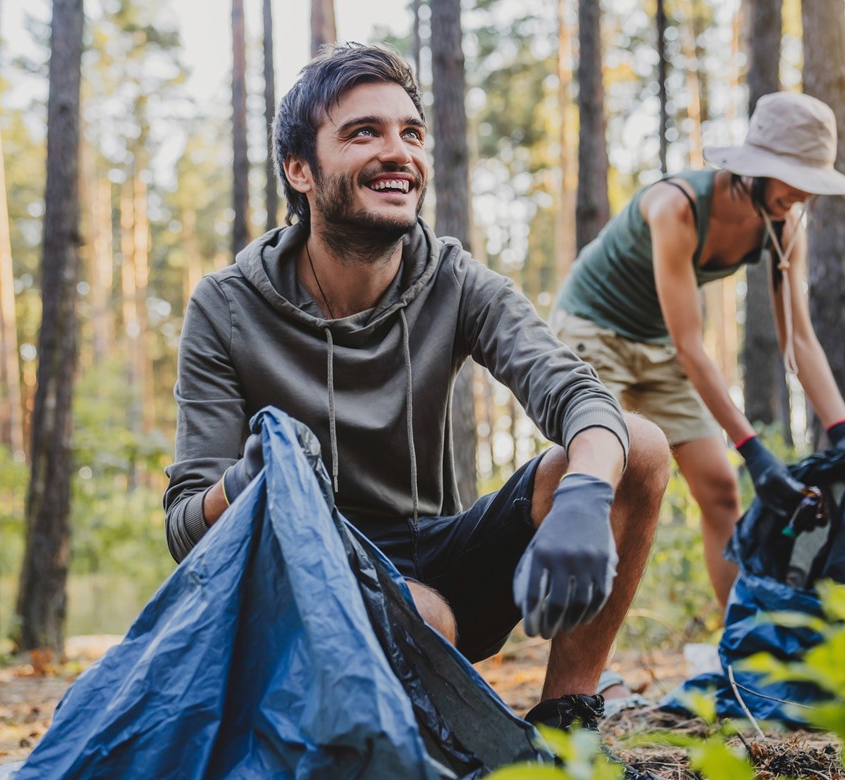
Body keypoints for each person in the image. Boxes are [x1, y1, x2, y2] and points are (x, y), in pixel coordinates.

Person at [162, 43, 669, 733]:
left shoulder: (455, 280)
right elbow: (186, 530)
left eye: (411, 133)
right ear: (299, 170)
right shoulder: (225, 307)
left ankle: (568, 723)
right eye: (363, 132)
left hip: (439, 554)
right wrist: (244, 484)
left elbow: (576, 395)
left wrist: (582, 497)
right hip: (310, 578)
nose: (397, 152)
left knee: (634, 446)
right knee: (421, 617)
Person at [551, 91, 845, 608]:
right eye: (792, 177)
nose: (801, 195)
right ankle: (584, 661)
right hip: (592, 331)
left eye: (810, 183)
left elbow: (799, 338)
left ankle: (738, 646)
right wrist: (754, 451)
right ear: (755, 166)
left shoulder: (783, 224)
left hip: (658, 345)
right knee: (604, 480)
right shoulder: (676, 208)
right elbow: (692, 346)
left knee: (721, 488)